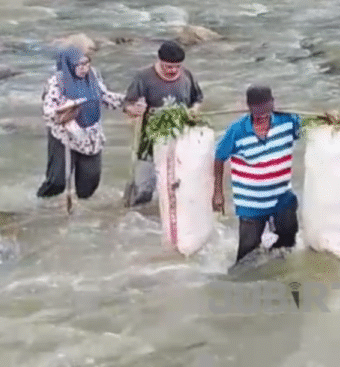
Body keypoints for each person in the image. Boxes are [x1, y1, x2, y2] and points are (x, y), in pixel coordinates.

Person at [212, 85, 302, 264]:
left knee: (288, 239)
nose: (261, 115)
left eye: (266, 110)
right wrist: (218, 193)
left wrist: (331, 119)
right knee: (246, 255)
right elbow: (219, 157)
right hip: (251, 202)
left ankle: (275, 265)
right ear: (249, 107)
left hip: (281, 196)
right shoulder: (237, 130)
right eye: (257, 110)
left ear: (273, 105)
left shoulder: (288, 122)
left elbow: (312, 131)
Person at [36, 47, 126, 200]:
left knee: (89, 184)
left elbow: (104, 96)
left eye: (87, 63)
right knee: (57, 182)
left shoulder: (93, 76)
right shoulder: (57, 82)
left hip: (89, 135)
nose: (84, 68)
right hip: (64, 134)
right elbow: (48, 111)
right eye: (79, 65)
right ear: (69, 65)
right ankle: (43, 204)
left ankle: (82, 214)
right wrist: (64, 113)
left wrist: (127, 102)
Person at [123, 40, 204, 206]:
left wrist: (194, 110)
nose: (173, 70)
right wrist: (134, 109)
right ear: (159, 61)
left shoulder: (187, 76)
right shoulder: (143, 77)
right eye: (168, 67)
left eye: (177, 67)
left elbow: (198, 99)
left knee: (178, 188)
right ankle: (137, 219)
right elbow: (127, 104)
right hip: (150, 139)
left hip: (180, 138)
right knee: (144, 190)